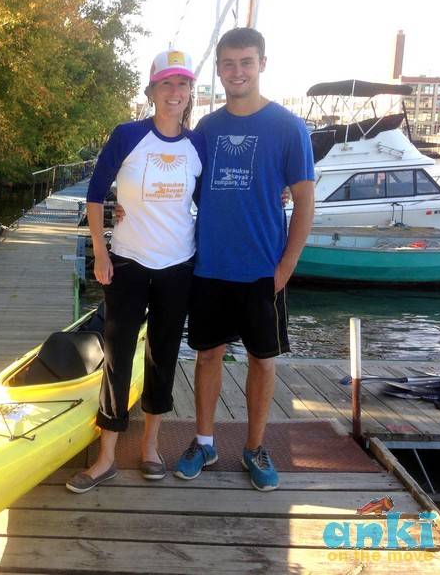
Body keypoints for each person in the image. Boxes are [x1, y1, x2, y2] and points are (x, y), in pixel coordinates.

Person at [173, 27, 315, 492]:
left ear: (262, 64)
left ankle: (255, 448)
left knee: (262, 361)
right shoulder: (207, 130)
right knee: (207, 355)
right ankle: (205, 441)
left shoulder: (288, 127)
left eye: (246, 62)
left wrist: (285, 268)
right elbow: (180, 191)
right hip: (210, 266)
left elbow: (305, 202)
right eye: (229, 64)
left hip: (263, 271)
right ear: (219, 70)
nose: (238, 72)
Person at [65, 49, 206, 493]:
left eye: (182, 84)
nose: (175, 92)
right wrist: (101, 253)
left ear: (190, 93)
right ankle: (106, 456)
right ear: (152, 91)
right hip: (127, 263)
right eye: (166, 84)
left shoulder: (197, 144)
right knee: (117, 357)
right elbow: (93, 195)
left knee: (162, 357)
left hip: (178, 266)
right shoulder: (127, 136)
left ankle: (150, 447)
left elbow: (211, 204)